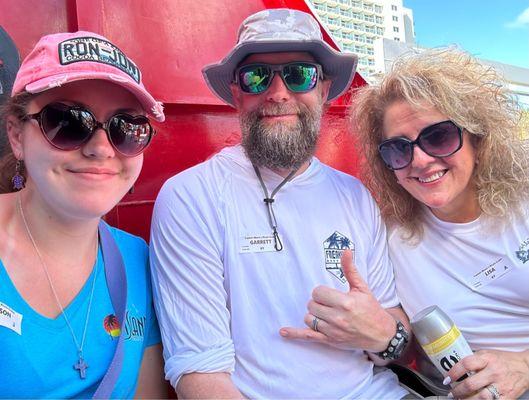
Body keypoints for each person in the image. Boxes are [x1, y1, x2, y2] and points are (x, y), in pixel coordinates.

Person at [150, 8, 413, 399]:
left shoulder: (355, 195)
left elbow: (396, 331)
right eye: (256, 77)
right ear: (237, 95)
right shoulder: (192, 196)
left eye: (298, 74)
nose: (277, 93)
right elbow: (200, 375)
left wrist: (383, 335)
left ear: (322, 90)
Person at [350, 47, 529, 399]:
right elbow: (406, 350)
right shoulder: (388, 237)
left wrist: (523, 366)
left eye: (438, 136)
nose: (420, 160)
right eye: (398, 149)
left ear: (477, 138)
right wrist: (379, 335)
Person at [0, 31, 167, 398]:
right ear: (16, 135)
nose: (101, 149)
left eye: (127, 128)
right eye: (68, 121)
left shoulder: (139, 259)